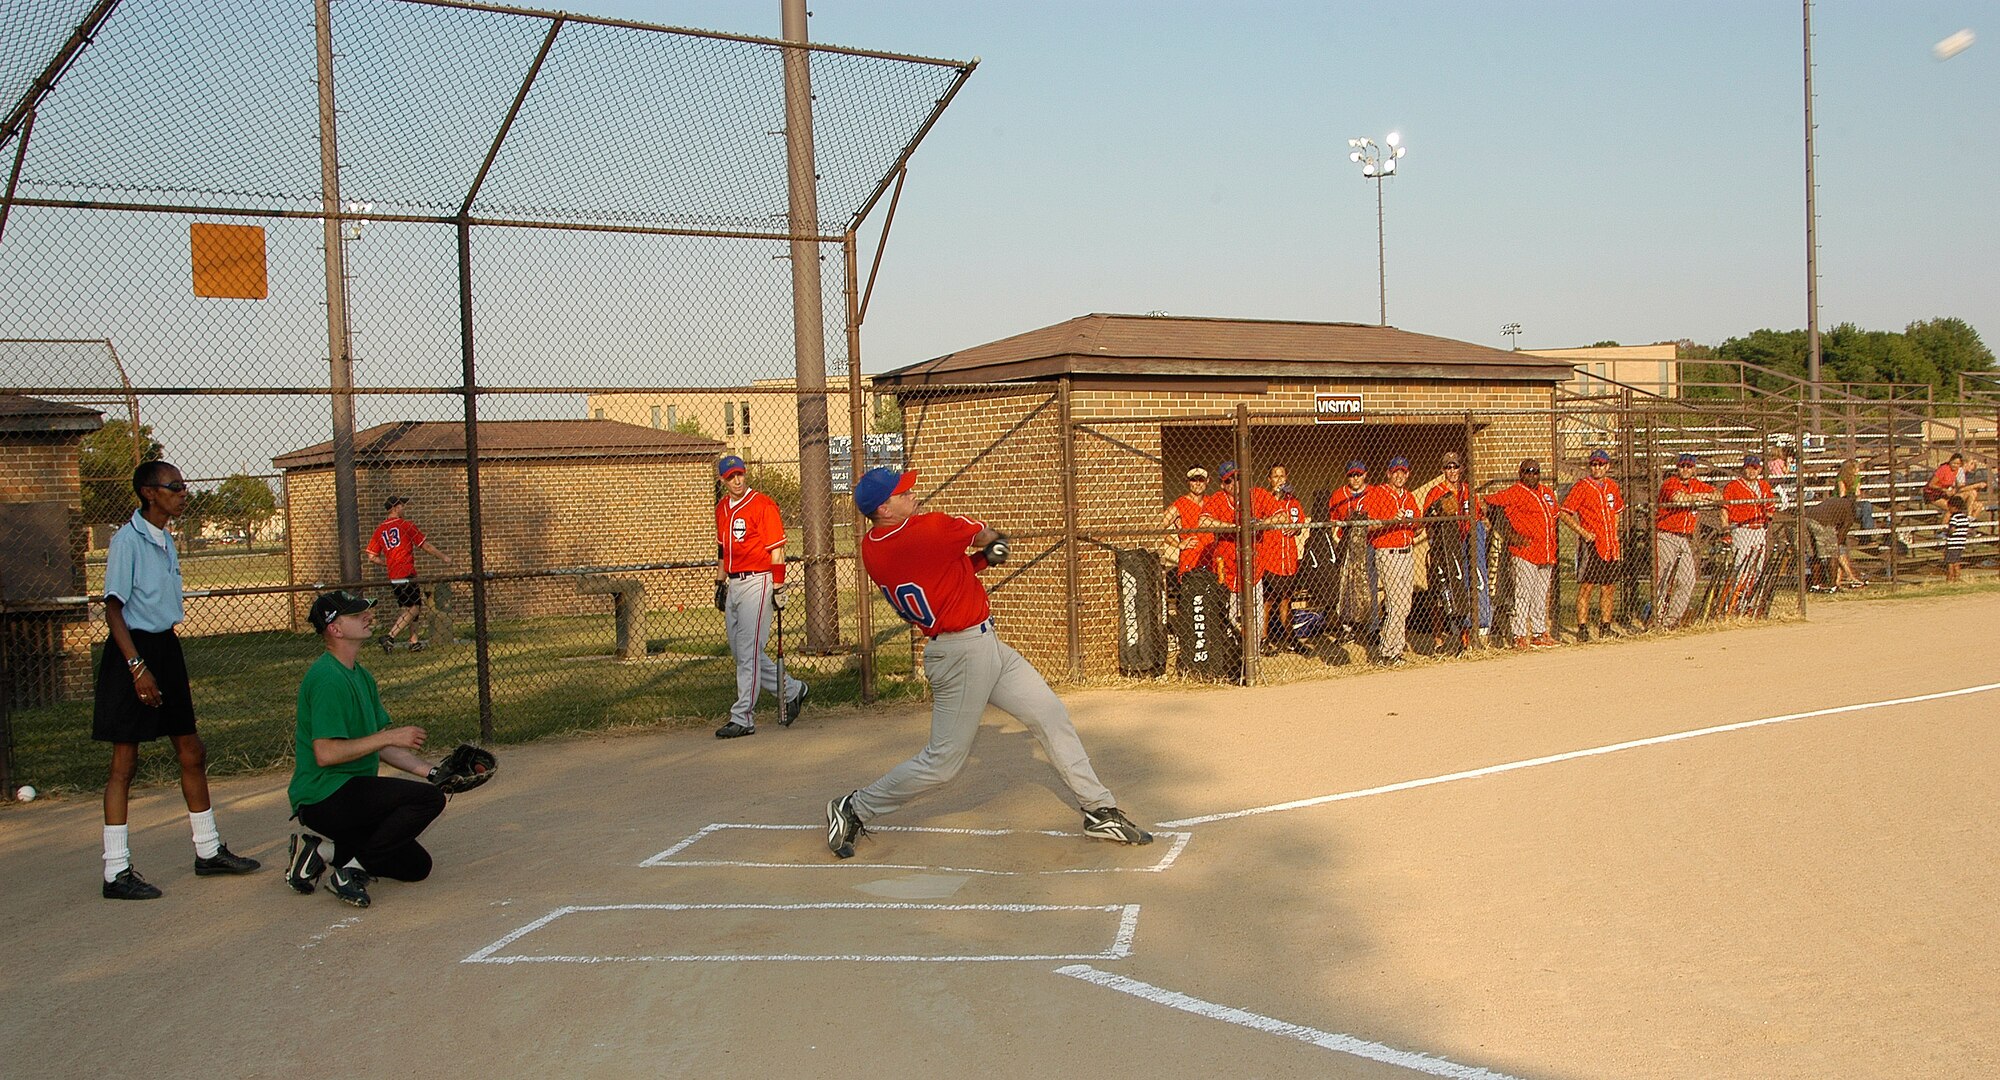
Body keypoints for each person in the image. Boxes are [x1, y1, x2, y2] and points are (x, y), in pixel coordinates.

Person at [825, 468, 1153, 859]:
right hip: (961, 654)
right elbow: (986, 534)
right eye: (902, 492)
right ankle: (854, 807)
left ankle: (1098, 809)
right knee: (943, 763)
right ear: (883, 508)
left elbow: (940, 575)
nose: (912, 493)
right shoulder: (928, 528)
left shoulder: (873, 547)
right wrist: (992, 546)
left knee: (1050, 715)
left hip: (984, 647)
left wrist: (980, 561)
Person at [92, 461, 260, 899]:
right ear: (150, 492)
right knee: (124, 764)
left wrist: (163, 666)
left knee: (191, 750)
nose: (184, 493)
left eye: (184, 485)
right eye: (176, 486)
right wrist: (136, 668)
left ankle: (207, 851)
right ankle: (116, 872)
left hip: (165, 648)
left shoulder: (165, 538)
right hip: (132, 652)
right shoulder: (127, 541)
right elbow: (113, 610)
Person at [286, 590, 450, 908]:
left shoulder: (361, 676)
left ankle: (319, 852)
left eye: (366, 611)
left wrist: (433, 772)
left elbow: (382, 745)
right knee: (428, 801)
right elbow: (326, 753)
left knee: (417, 867)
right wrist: (387, 738)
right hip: (323, 796)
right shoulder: (326, 679)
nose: (368, 616)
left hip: (352, 795)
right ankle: (349, 871)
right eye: (356, 614)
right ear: (334, 628)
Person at [712, 455, 807, 738]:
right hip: (734, 583)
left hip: (758, 580)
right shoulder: (721, 508)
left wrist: (779, 586)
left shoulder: (762, 505)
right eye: (731, 477)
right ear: (722, 480)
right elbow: (722, 551)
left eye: (740, 474)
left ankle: (743, 717)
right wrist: (719, 583)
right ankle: (793, 690)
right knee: (742, 651)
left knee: (747, 653)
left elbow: (776, 551)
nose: (737, 480)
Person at [1486, 459, 1561, 649]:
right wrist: (1508, 533)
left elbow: (1554, 516)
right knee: (1522, 595)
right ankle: (1519, 634)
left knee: (1540, 594)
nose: (1531, 475)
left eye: (1535, 472)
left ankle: (1538, 632)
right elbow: (1489, 503)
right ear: (1520, 474)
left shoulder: (1547, 493)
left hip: (1545, 551)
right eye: (1527, 472)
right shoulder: (1515, 492)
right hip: (1524, 552)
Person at [1419, 451, 1487, 650]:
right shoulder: (1435, 491)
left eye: (1455, 466)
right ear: (1443, 471)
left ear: (1461, 468)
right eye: (1448, 467)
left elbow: (1480, 517)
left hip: (1464, 544)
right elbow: (1426, 522)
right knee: (1441, 594)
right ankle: (1439, 640)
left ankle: (1465, 638)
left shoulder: (1468, 490)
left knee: (1466, 588)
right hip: (1443, 548)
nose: (1452, 471)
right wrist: (1438, 510)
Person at [366, 495, 453, 650]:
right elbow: (425, 545)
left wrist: (389, 563)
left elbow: (372, 557)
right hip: (406, 573)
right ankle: (390, 636)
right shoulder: (406, 525)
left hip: (394, 575)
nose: (403, 508)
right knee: (414, 608)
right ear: (394, 508)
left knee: (410, 607)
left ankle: (414, 642)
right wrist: (443, 557)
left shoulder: (379, 529)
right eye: (401, 506)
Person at [1560, 449, 1625, 641]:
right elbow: (1564, 513)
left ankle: (1605, 626)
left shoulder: (1612, 486)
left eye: (1601, 464)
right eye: (1594, 464)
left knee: (1608, 587)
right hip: (1592, 545)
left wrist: (1614, 533)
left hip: (1609, 545)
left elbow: (1617, 511)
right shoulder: (1582, 486)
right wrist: (1583, 532)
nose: (1597, 468)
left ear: (1607, 466)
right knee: (1587, 587)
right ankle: (1582, 628)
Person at [1363, 457, 1420, 664]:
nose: (1399, 475)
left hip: (1407, 552)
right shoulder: (1377, 493)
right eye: (1395, 471)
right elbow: (1367, 525)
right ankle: (1386, 652)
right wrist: (1389, 521)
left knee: (1405, 606)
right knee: (1396, 604)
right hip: (1388, 552)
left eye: (1403, 472)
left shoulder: (1409, 497)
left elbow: (1418, 526)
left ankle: (1396, 650)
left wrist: (1418, 521)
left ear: (1407, 474)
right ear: (1388, 474)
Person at [1654, 453, 1719, 630]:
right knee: (1664, 579)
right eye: (1682, 466)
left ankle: (1671, 620)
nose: (1685, 469)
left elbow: (1717, 495)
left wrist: (1699, 494)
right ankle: (1656, 619)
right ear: (1677, 468)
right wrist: (1698, 497)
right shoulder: (1670, 483)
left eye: (1689, 466)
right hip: (1666, 535)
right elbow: (1679, 499)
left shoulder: (1696, 484)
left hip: (1684, 538)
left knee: (1688, 579)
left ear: (1694, 469)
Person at [1253, 465, 1306, 655]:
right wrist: (1275, 497)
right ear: (1270, 480)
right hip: (1270, 559)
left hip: (1288, 559)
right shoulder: (1265, 500)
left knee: (1286, 600)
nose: (1279, 480)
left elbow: (1299, 523)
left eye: (1282, 476)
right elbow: (1257, 524)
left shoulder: (1293, 502)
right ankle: (1262, 639)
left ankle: (1291, 639)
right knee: (1268, 601)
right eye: (1275, 477)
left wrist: (1296, 528)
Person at [1197, 461, 1256, 626]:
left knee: (1252, 611)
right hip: (1226, 564)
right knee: (1228, 611)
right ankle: (1230, 645)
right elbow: (1203, 521)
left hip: (1250, 564)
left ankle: (1252, 647)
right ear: (1222, 484)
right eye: (1229, 480)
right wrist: (1233, 527)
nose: (1234, 483)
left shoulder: (1253, 496)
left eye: (1238, 478)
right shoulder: (1217, 499)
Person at [1721, 454, 1777, 614]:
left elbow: (1771, 508)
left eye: (1755, 468)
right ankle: (1734, 603)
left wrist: (1768, 515)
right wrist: (1725, 529)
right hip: (1741, 528)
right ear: (1743, 468)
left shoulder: (1764, 485)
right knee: (1741, 566)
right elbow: (1724, 509)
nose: (1752, 471)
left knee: (1757, 567)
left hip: (1759, 529)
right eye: (1749, 468)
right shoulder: (1733, 486)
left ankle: (1749, 603)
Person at [1161, 465, 1213, 590]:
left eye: (1201, 479)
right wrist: (1179, 544)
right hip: (1190, 561)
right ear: (1188, 482)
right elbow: (1158, 528)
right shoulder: (1180, 504)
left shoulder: (1211, 502)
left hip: (1211, 558)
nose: (1197, 483)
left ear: (1207, 481)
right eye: (1193, 480)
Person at [1802, 489, 1860, 592]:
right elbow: (1843, 531)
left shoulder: (1836, 501)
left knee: (1816, 554)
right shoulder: (1849, 509)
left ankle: (1815, 585)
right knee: (1832, 554)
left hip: (1806, 518)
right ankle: (1832, 586)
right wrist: (1837, 546)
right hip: (1822, 522)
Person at [1925, 452, 1986, 522]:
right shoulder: (1944, 469)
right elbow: (1931, 485)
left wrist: (1951, 490)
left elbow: (1956, 487)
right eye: (1954, 463)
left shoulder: (1957, 470)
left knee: (1978, 505)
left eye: (1957, 464)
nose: (1955, 465)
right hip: (1933, 495)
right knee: (1952, 509)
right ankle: (1942, 531)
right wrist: (1976, 485)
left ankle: (1969, 524)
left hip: (1947, 494)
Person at [1943, 495, 1970, 583]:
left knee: (1950, 563)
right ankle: (1957, 579)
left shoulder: (1954, 518)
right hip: (1961, 544)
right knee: (1957, 562)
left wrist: (1946, 531)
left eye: (1949, 507)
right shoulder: (1965, 518)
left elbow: (1952, 530)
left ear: (1954, 507)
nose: (1949, 509)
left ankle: (1949, 580)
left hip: (1952, 544)